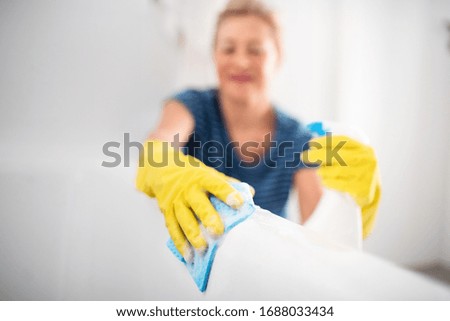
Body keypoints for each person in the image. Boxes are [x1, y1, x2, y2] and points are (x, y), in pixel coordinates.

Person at [136, 0, 380, 262]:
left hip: (265, 266)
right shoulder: (192, 106)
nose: (240, 61)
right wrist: (166, 167)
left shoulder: (295, 136)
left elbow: (320, 234)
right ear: (214, 55)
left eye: (255, 50)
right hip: (196, 263)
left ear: (278, 56)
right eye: (228, 49)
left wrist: (345, 208)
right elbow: (160, 141)